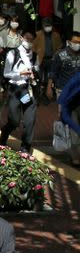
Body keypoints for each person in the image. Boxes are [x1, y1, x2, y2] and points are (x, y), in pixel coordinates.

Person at [0, 31, 37, 152]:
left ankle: (25, 148)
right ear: (21, 38)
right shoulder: (12, 53)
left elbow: (37, 71)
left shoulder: (34, 56)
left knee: (30, 121)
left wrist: (34, 75)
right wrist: (21, 73)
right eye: (26, 38)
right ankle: (4, 134)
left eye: (31, 40)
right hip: (15, 90)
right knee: (14, 120)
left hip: (28, 90)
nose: (28, 42)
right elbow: (6, 73)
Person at [50, 31, 80, 166]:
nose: (77, 45)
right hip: (65, 95)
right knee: (72, 125)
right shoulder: (60, 56)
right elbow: (53, 73)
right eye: (75, 42)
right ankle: (75, 155)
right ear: (69, 41)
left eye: (79, 42)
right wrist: (52, 88)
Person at [32, 17, 61, 103]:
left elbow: (59, 47)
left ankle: (45, 96)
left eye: (49, 25)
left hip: (51, 60)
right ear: (43, 26)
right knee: (38, 78)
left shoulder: (56, 35)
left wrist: (55, 55)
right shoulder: (37, 34)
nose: (48, 27)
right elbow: (33, 47)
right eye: (46, 25)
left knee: (48, 79)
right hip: (40, 59)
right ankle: (36, 97)